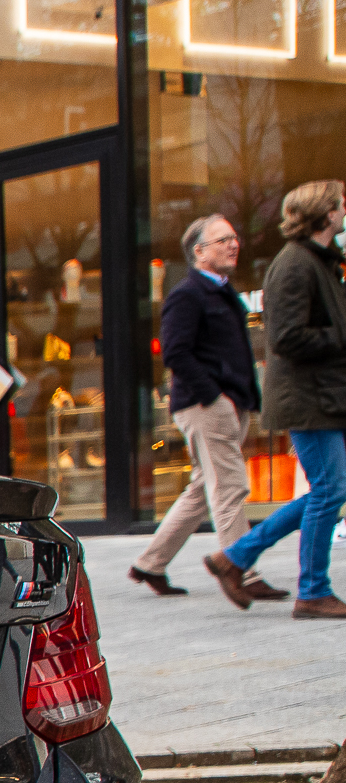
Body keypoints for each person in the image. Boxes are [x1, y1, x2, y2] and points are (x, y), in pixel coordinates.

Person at [209, 179, 346, 619]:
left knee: (328, 490)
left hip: (326, 395)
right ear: (325, 214)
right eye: (341, 205)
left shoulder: (320, 262)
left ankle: (235, 557)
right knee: (329, 490)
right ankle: (312, 591)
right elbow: (286, 338)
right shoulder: (295, 264)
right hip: (309, 398)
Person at [131, 214, 283, 599]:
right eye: (221, 240)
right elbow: (176, 352)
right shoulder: (187, 294)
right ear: (199, 252)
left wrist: (241, 400)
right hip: (206, 406)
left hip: (228, 404)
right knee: (230, 486)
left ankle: (151, 563)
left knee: (202, 489)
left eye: (234, 237)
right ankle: (241, 571)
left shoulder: (223, 291)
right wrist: (214, 398)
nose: (233, 244)